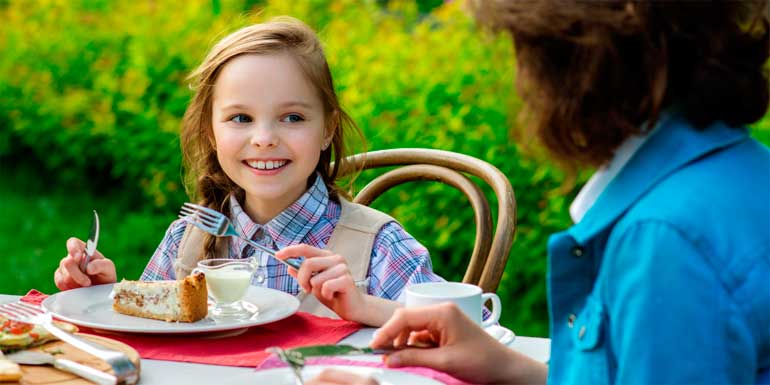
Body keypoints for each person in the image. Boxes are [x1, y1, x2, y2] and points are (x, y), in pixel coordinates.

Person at [307, 0, 770, 384]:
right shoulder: (742, 173)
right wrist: (508, 366)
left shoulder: (663, 241)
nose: (519, 82)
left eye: (522, 50)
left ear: (579, 59)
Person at [52, 17, 444, 327]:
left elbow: (479, 334)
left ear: (327, 128)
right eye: (241, 117)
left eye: (292, 117)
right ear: (211, 131)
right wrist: (101, 298)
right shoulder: (187, 242)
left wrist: (366, 307)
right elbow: (157, 344)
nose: (264, 138)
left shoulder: (378, 247)